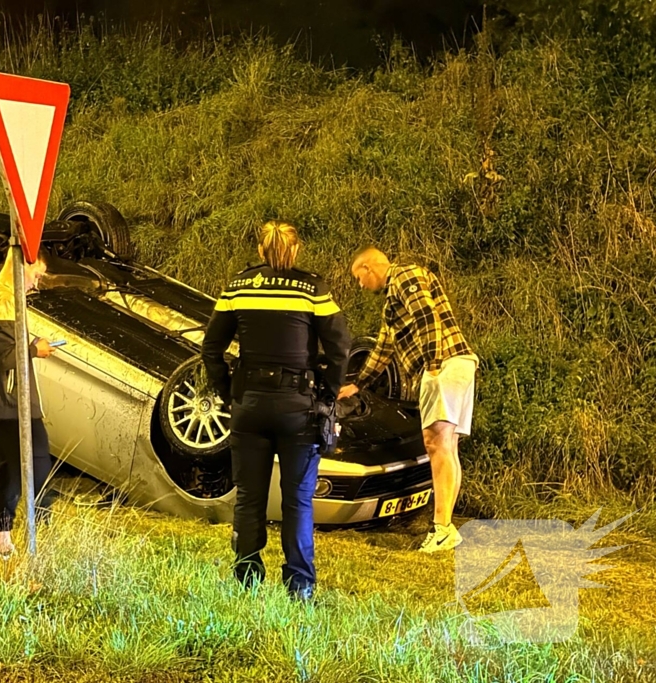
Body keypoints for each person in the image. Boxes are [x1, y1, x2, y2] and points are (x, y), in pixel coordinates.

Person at [202, 220, 351, 600]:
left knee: (249, 497)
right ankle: (300, 587)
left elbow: (211, 347)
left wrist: (227, 392)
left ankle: (246, 579)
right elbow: (340, 348)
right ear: (296, 250)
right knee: (297, 500)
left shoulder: (237, 287)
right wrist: (327, 396)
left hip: (249, 403)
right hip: (298, 406)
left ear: (260, 250)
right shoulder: (313, 289)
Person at [338, 247, 478, 553]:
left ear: (369, 268)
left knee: (436, 443)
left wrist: (433, 363)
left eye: (359, 277)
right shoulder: (392, 302)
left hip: (444, 364)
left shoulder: (404, 275)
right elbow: (384, 349)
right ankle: (445, 527)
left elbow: (426, 315)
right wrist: (358, 385)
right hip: (455, 364)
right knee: (446, 445)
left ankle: (442, 529)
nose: (360, 285)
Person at [0, 248, 57, 558]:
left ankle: (2, 541)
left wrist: (31, 346)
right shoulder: (3, 300)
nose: (36, 283)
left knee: (8, 468)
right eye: (36, 275)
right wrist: (34, 349)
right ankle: (43, 536)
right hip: (11, 401)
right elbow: (1, 356)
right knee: (37, 461)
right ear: (21, 266)